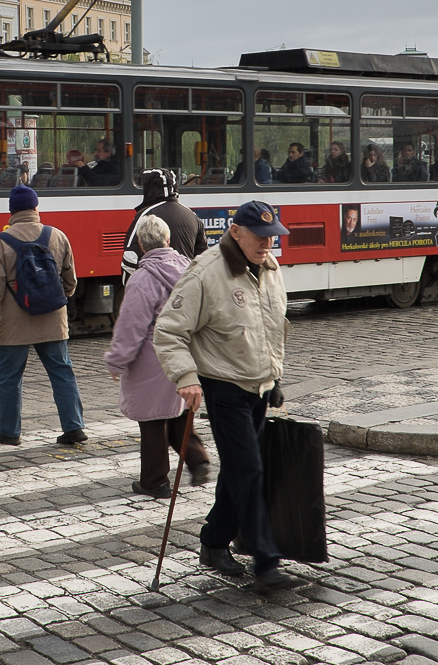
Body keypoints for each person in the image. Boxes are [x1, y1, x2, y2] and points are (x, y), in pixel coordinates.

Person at [154, 200, 304, 592]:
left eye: (273, 236)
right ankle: (266, 561)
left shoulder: (269, 269)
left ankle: (214, 542)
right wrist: (186, 377)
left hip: (257, 385)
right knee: (250, 470)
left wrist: (275, 378)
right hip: (223, 388)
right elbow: (169, 331)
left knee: (240, 470)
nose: (268, 243)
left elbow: (273, 327)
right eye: (260, 235)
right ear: (235, 232)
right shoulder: (206, 272)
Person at [0, 185, 87, 447]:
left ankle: (9, 431)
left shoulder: (0, 242)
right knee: (62, 371)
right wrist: (56, 298)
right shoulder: (57, 236)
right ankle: (74, 427)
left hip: (15, 320)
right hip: (53, 317)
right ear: (36, 208)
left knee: (9, 376)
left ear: (12, 212)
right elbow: (71, 280)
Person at [104, 215, 210, 499]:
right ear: (168, 240)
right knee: (178, 410)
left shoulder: (143, 278)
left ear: (140, 243)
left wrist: (117, 360)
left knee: (153, 419)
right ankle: (198, 460)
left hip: (153, 357)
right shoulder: (189, 269)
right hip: (185, 353)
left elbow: (131, 325)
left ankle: (154, 481)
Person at [122, 169, 208, 280]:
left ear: (149, 188)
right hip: (184, 287)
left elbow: (130, 257)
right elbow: (203, 258)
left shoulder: (146, 215)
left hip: (154, 286)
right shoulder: (192, 215)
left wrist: (132, 283)